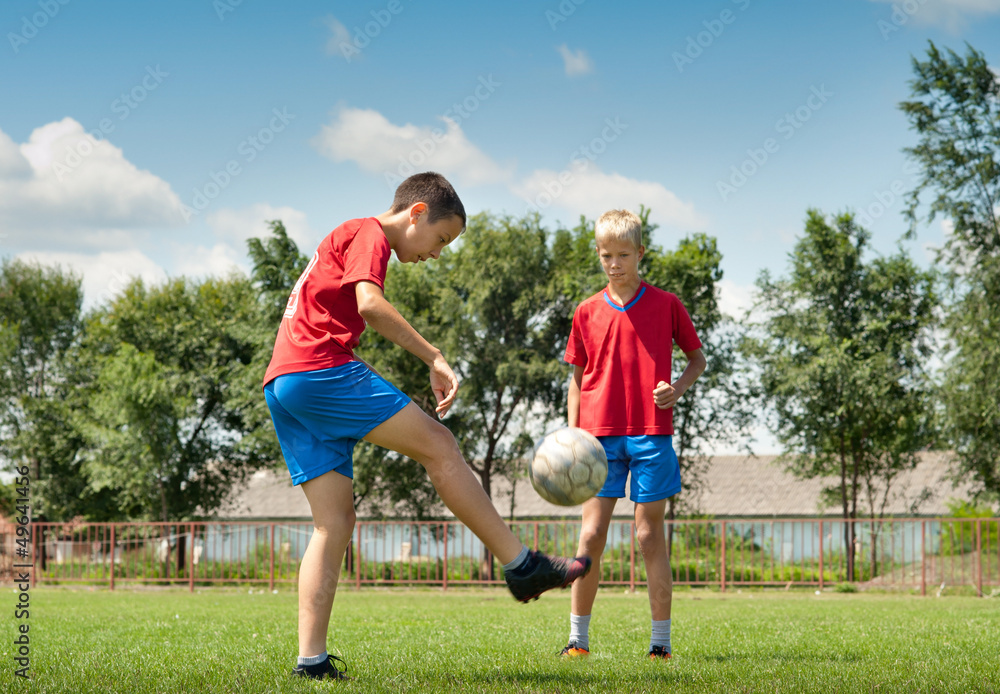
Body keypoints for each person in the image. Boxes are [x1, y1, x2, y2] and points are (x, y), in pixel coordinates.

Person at [262, 172, 592, 681]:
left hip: (284, 384)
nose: (437, 253)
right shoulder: (368, 232)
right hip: (319, 371)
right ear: (415, 212)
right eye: (440, 239)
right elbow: (369, 305)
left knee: (333, 524)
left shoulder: (346, 236)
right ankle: (522, 565)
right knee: (439, 445)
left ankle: (312, 661)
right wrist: (434, 357)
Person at [559, 209, 706, 660]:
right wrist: (572, 434)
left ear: (641, 253)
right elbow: (576, 378)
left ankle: (659, 646)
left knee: (648, 536)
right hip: (598, 440)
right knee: (591, 537)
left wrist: (675, 389)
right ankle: (577, 642)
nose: (614, 263)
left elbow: (697, 360)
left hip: (651, 435)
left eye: (623, 254)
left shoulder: (667, 305)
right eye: (606, 255)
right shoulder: (585, 311)